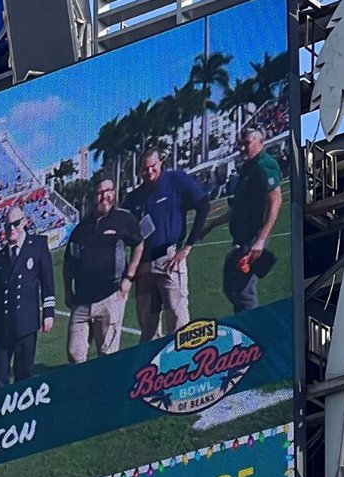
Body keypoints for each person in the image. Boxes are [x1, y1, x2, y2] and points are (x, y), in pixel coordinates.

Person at [124, 147, 210, 340]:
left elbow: (203, 205)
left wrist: (187, 246)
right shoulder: (134, 197)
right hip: (144, 267)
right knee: (147, 326)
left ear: (160, 162)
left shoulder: (176, 180)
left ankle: (183, 358)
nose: (149, 172)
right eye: (144, 169)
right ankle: (153, 359)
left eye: (153, 166)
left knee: (179, 322)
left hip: (168, 260)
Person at [63, 178, 144, 362]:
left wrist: (129, 277)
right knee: (75, 354)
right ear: (94, 197)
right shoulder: (80, 229)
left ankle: (107, 381)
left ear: (114, 193)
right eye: (100, 193)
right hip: (82, 302)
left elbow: (139, 244)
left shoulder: (123, 219)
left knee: (107, 355)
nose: (104, 196)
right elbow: (69, 262)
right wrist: (68, 290)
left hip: (110, 297)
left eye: (108, 191)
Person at [0, 206, 55, 387]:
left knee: (24, 378)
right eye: (7, 226)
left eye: (16, 224)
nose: (12, 229)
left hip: (25, 324)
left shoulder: (37, 246)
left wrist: (49, 312)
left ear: (25, 222)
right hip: (1, 329)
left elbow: (47, 281)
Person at [222, 127, 282, 311]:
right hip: (241, 238)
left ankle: (253, 325)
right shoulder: (248, 167)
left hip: (252, 238)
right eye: (240, 144)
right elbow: (239, 208)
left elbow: (276, 200)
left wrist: (261, 239)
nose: (242, 148)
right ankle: (245, 322)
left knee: (243, 291)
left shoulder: (264, 165)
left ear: (260, 142)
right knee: (232, 286)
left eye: (247, 143)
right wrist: (210, 225)